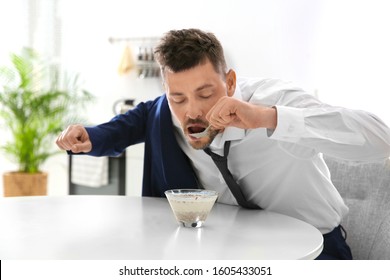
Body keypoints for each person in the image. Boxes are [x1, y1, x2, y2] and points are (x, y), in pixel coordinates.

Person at [56, 28, 390, 259]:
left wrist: (269, 119)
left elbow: (380, 140)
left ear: (229, 81)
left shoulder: (276, 100)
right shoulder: (165, 112)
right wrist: (88, 138)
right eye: (178, 97)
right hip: (225, 253)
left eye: (205, 94)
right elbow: (122, 128)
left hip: (317, 252)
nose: (193, 111)